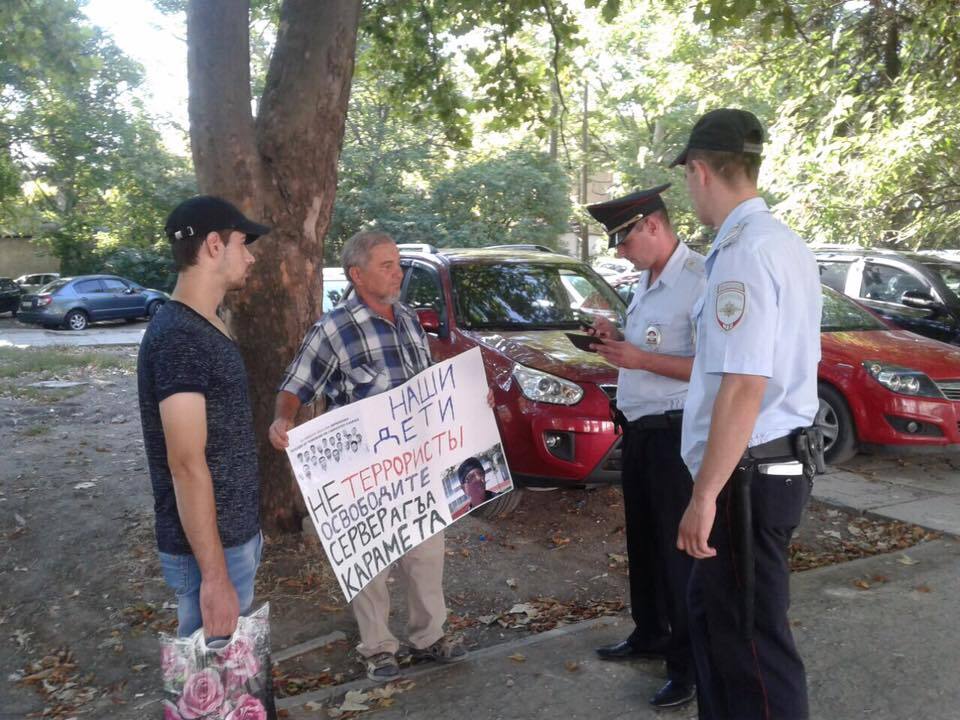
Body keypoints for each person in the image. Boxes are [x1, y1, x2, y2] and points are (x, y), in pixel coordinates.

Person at [671, 109, 823, 720]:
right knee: (719, 630)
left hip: (746, 478)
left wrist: (704, 494)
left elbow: (744, 385)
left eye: (687, 176)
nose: (689, 187)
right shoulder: (783, 243)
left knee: (752, 650)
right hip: (764, 468)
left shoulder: (743, 253)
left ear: (701, 171)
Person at [268, 230, 468, 682]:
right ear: (357, 274)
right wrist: (283, 421)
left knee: (425, 553)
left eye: (398, 264)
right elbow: (294, 386)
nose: (398, 273)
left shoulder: (410, 320)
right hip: (363, 469)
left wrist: (469, 402)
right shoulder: (333, 328)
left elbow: (429, 384)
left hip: (418, 465)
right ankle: (378, 648)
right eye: (387, 265)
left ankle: (429, 637)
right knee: (370, 559)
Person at [584, 184, 704, 709]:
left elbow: (716, 368)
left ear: (652, 225)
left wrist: (641, 360)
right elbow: (646, 347)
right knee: (645, 544)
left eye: (623, 239)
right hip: (640, 429)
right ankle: (650, 632)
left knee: (678, 555)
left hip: (678, 435)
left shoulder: (701, 280)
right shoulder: (645, 280)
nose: (618, 251)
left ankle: (688, 666)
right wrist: (615, 339)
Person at [137, 195, 270, 638]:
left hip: (231, 537)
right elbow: (186, 463)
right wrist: (214, 578)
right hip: (211, 553)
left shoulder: (204, 325)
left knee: (229, 684)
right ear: (214, 244)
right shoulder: (180, 337)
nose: (249, 257)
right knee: (214, 686)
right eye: (242, 244)